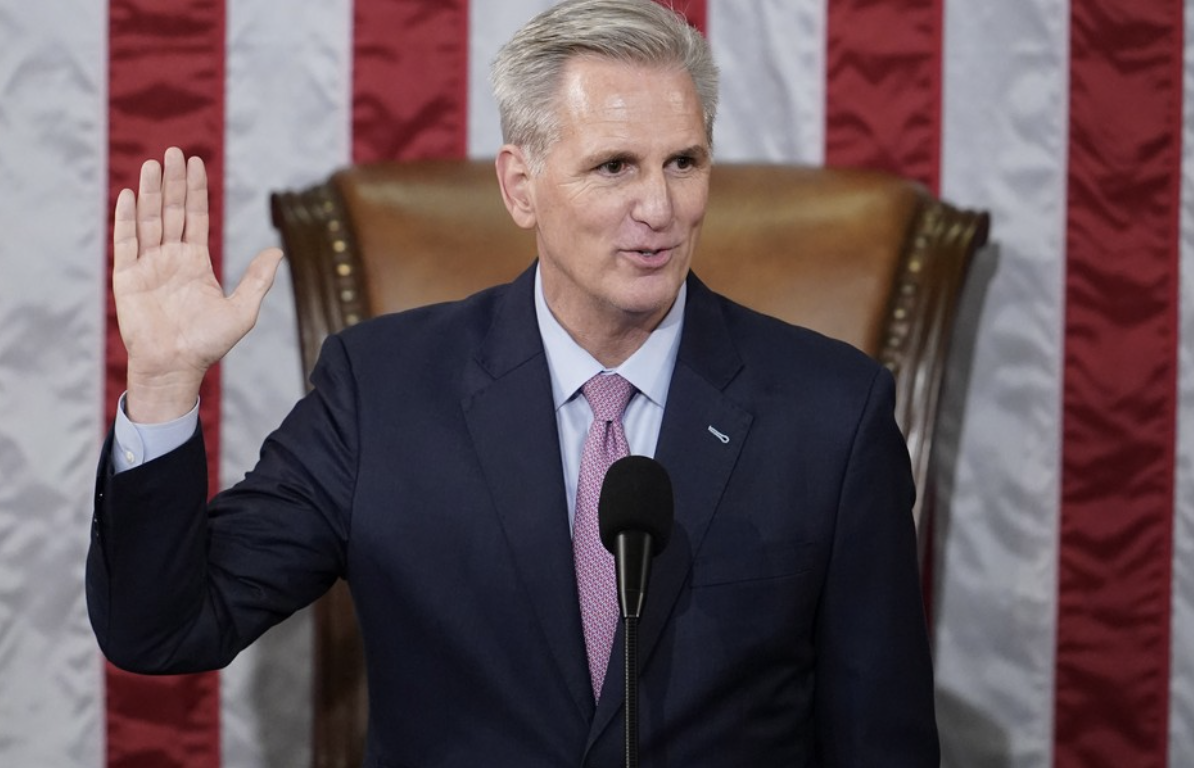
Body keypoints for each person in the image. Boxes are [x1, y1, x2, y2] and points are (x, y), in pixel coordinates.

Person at [88, 0, 939, 764]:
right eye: (614, 167)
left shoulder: (830, 412)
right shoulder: (383, 393)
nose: (660, 208)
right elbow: (164, 627)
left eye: (683, 162)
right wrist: (163, 386)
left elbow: (882, 740)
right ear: (520, 185)